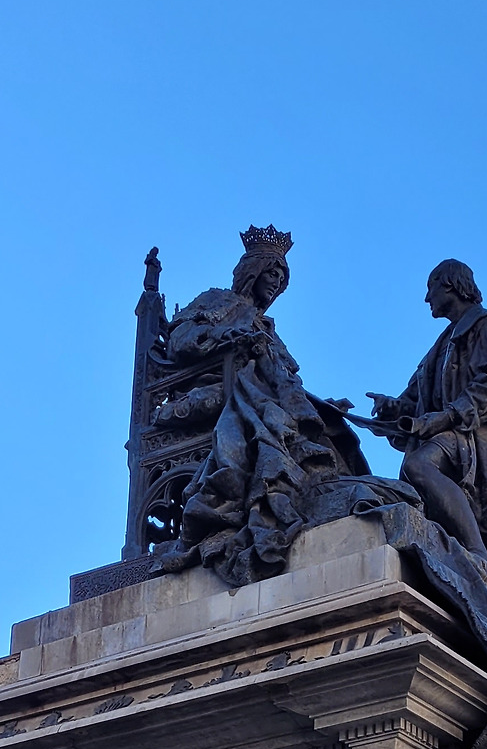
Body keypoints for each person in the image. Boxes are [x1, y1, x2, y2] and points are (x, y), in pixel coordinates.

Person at [152, 226, 371, 586]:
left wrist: (323, 405)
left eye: (281, 279)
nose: (276, 283)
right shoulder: (217, 300)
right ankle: (268, 498)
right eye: (272, 274)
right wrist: (226, 336)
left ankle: (319, 496)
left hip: (263, 391)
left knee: (327, 424)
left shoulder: (268, 326)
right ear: (253, 271)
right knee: (269, 413)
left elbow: (288, 381)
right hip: (217, 384)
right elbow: (180, 341)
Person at [367, 260, 487, 577]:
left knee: (419, 466)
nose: (427, 298)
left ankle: (475, 555)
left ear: (450, 284)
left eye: (430, 288)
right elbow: (416, 400)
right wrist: (394, 407)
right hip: (455, 433)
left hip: (477, 438)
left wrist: (448, 415)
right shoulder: (440, 347)